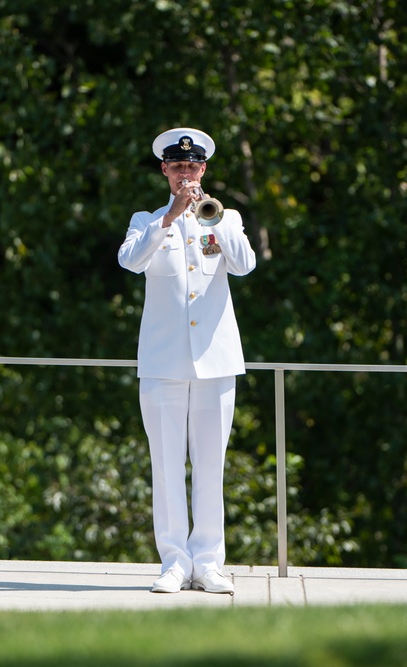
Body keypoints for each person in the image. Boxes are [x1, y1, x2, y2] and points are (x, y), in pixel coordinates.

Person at [118, 127, 257, 594]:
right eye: (178, 167)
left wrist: (210, 220)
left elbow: (244, 264)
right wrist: (170, 219)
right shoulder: (146, 220)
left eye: (193, 167)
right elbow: (130, 262)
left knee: (211, 465)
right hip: (163, 364)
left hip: (216, 362)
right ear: (165, 170)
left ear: (203, 170)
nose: (185, 174)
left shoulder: (225, 217)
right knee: (166, 465)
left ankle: (209, 563)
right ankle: (174, 563)